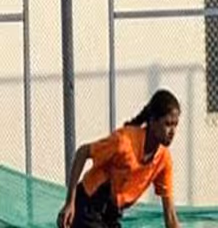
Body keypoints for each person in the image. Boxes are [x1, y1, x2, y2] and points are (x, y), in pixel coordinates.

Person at [58, 89, 182, 228]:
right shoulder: (124, 142)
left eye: (175, 125)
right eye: (167, 124)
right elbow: (82, 152)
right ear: (152, 122)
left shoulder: (163, 160)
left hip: (110, 214)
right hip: (87, 207)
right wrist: (70, 203)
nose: (172, 132)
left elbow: (170, 215)